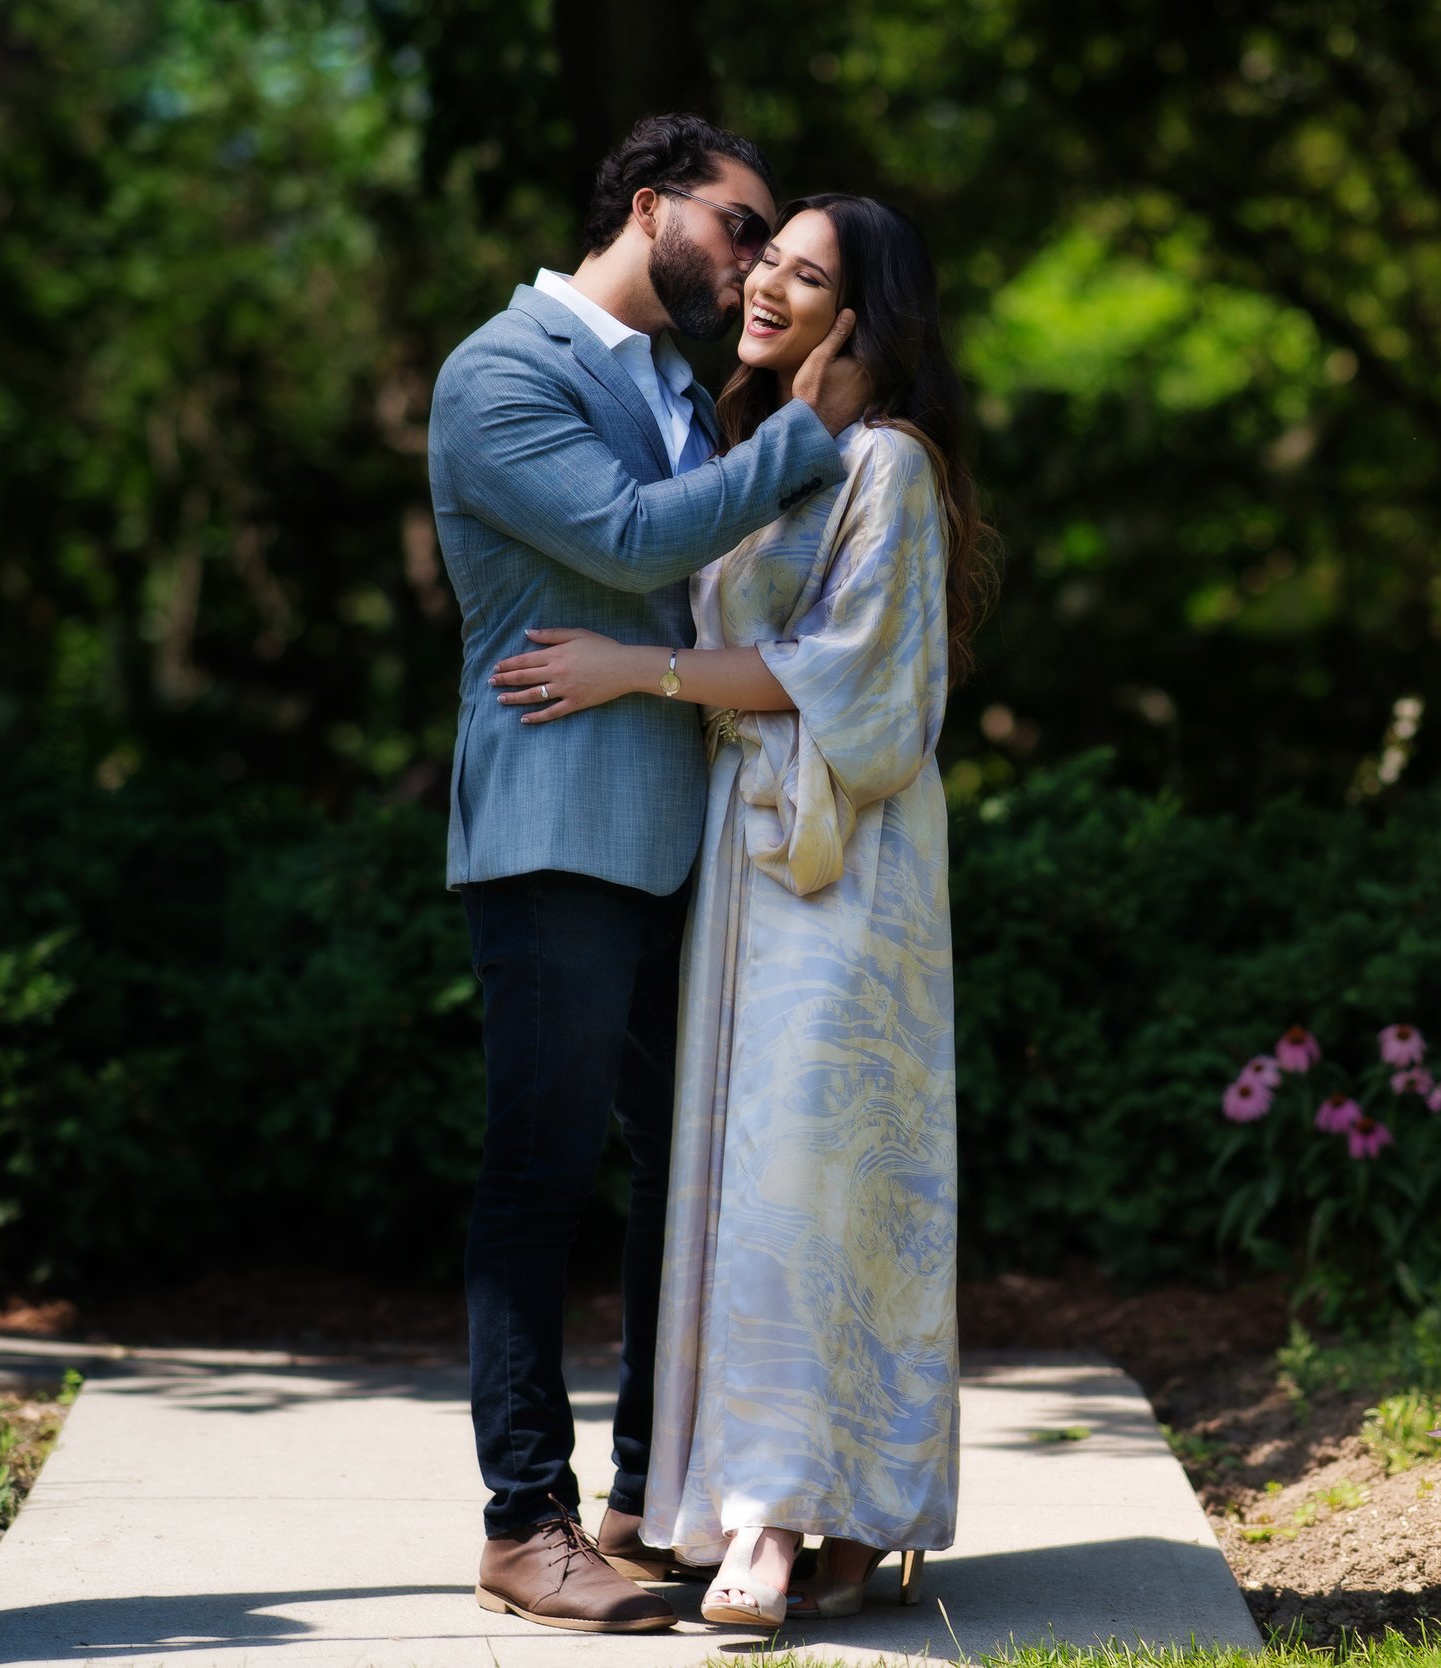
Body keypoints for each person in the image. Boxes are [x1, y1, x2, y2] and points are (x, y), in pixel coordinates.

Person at [487, 193, 990, 1631]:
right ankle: (800, 1507)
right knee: (736, 1175)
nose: (766, 282)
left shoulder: (884, 462)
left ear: (862, 315)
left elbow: (854, 684)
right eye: (767, 255)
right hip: (745, 853)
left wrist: (626, 673)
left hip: (846, 860)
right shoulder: (763, 452)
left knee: (804, 1176)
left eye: (806, 273)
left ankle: (772, 1522)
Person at [427, 112, 869, 1635]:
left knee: (690, 1173)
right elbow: (624, 542)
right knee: (539, 1175)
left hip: (694, 851)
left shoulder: (687, 389)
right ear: (648, 202)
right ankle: (522, 1520)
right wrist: (811, 433)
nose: (753, 264)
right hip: (553, 831)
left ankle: (645, 1494)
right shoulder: (501, 375)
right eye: (741, 227)